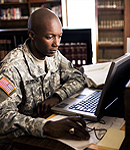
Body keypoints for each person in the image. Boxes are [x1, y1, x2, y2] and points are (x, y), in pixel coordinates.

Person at [0, 8, 90, 149]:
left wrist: (57, 97)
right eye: (50, 37)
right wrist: (46, 127)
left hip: (50, 128)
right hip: (20, 142)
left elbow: (78, 78)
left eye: (59, 36)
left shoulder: (54, 55)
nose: (57, 43)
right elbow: (3, 118)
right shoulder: (11, 67)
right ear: (32, 35)